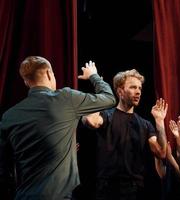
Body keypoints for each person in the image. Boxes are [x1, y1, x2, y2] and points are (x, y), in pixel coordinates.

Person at [0, 56, 116, 199]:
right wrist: (94, 76)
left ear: (26, 81)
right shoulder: (66, 98)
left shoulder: (9, 116)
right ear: (49, 73)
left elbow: (4, 167)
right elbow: (109, 98)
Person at [82, 69, 168, 200]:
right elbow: (90, 120)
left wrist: (160, 122)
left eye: (139, 88)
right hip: (107, 189)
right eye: (133, 87)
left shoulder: (145, 124)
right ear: (120, 92)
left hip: (135, 189)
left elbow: (161, 152)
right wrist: (99, 89)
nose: (138, 91)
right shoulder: (107, 116)